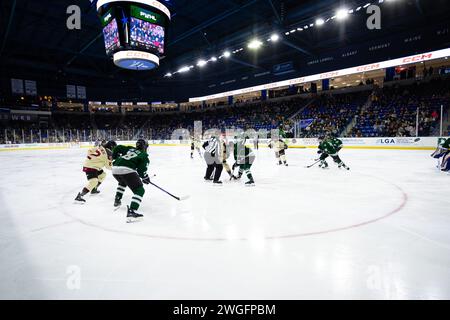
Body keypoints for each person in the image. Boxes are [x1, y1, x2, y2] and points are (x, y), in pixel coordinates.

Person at [111, 139, 151, 223]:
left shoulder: (130, 148)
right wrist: (145, 177)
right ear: (145, 147)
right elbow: (141, 170)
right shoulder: (144, 155)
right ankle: (132, 211)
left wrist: (114, 158)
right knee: (140, 190)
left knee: (122, 182)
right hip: (126, 170)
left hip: (114, 169)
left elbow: (118, 147)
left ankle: (117, 200)